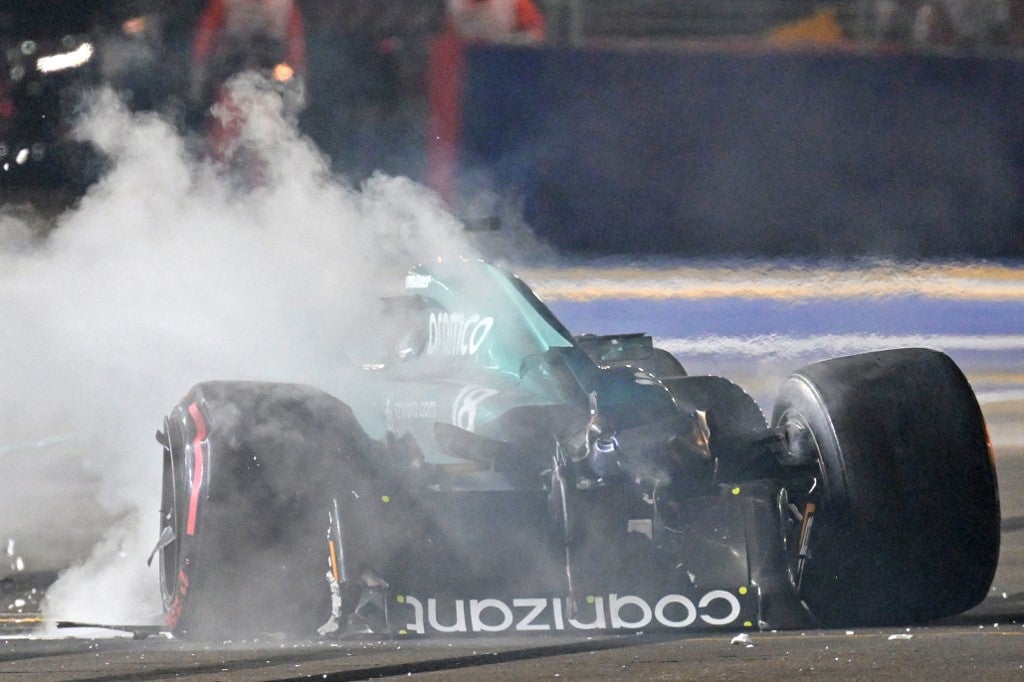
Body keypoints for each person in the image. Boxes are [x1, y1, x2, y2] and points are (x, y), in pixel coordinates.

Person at [190, 0, 307, 107]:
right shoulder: (225, 3)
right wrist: (199, 73)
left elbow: (296, 47)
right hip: (232, 67)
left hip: (272, 69)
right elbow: (205, 37)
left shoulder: (285, 6)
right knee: (227, 104)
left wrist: (297, 79)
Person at [446, 0, 546, 45]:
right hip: (470, 68)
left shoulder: (514, 3)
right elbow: (448, 45)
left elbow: (537, 36)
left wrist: (510, 42)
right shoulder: (454, 7)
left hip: (509, 66)